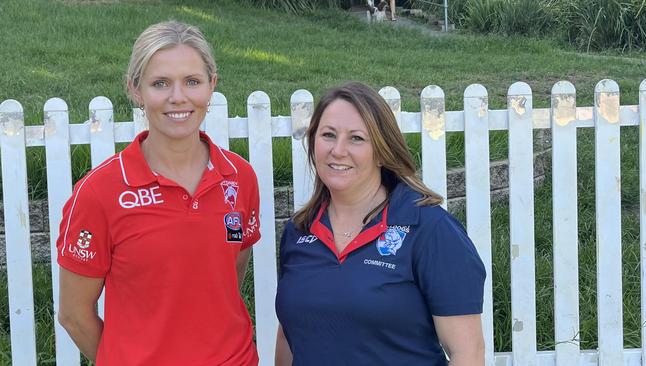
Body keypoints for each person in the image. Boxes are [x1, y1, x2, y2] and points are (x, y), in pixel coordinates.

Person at [56, 21, 261, 366]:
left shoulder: (240, 176)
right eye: (160, 83)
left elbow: (230, 274)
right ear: (135, 90)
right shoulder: (100, 192)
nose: (177, 97)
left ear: (212, 86)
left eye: (192, 82)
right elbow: (74, 315)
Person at [275, 81, 486, 365]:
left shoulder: (429, 229)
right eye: (328, 135)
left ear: (382, 151)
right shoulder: (298, 232)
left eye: (356, 138)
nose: (338, 150)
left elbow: (467, 353)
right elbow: (288, 338)